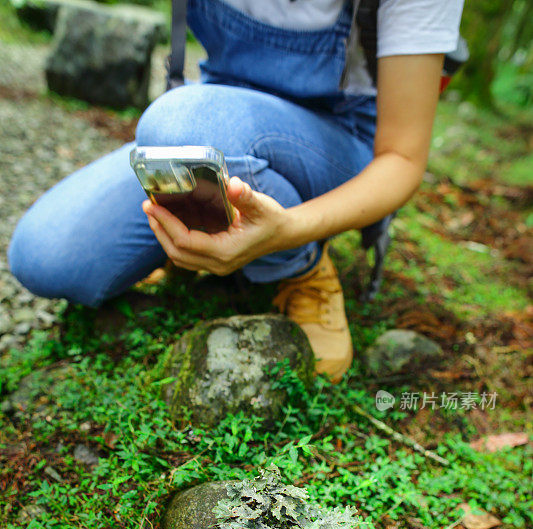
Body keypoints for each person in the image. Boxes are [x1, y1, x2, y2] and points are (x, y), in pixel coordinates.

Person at [8, 0, 464, 383]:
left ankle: (301, 266)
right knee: (44, 258)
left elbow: (403, 159)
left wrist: (290, 232)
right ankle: (196, 218)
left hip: (335, 139)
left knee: (181, 126)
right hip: (214, 115)